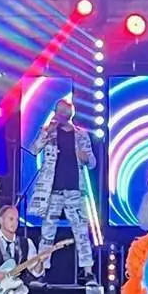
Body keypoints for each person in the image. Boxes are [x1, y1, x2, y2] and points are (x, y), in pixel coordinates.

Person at [27, 98, 97, 284]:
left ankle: (88, 272)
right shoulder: (49, 132)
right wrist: (46, 132)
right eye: (58, 111)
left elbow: (92, 163)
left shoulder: (81, 135)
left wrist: (85, 157)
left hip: (75, 190)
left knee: (81, 232)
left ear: (70, 113)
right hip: (53, 190)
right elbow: (33, 150)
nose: (60, 114)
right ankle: (41, 272)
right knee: (47, 233)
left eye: (64, 111)